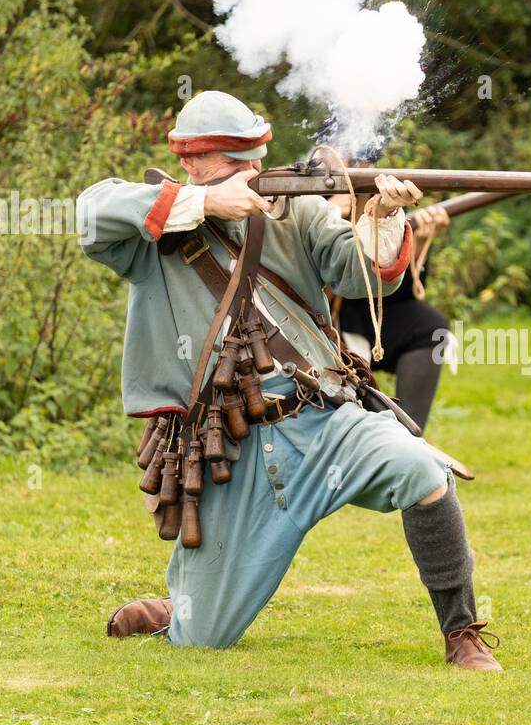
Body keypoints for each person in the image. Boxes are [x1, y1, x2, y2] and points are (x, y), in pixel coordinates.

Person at [76, 91, 501, 670]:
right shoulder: (158, 228)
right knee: (204, 639)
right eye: (234, 162)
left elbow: (361, 276)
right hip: (233, 444)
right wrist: (202, 203)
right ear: (192, 163)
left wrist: (383, 216)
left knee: (422, 470)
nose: (252, 172)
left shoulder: (296, 209)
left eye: (256, 158)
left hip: (326, 417)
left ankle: (463, 633)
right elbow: (90, 213)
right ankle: (186, 609)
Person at [332, 188, 452, 431]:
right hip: (316, 317)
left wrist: (415, 249)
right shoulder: (310, 198)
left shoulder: (383, 200)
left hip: (362, 317)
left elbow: (401, 293)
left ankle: (409, 435)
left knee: (430, 327)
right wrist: (330, 213)